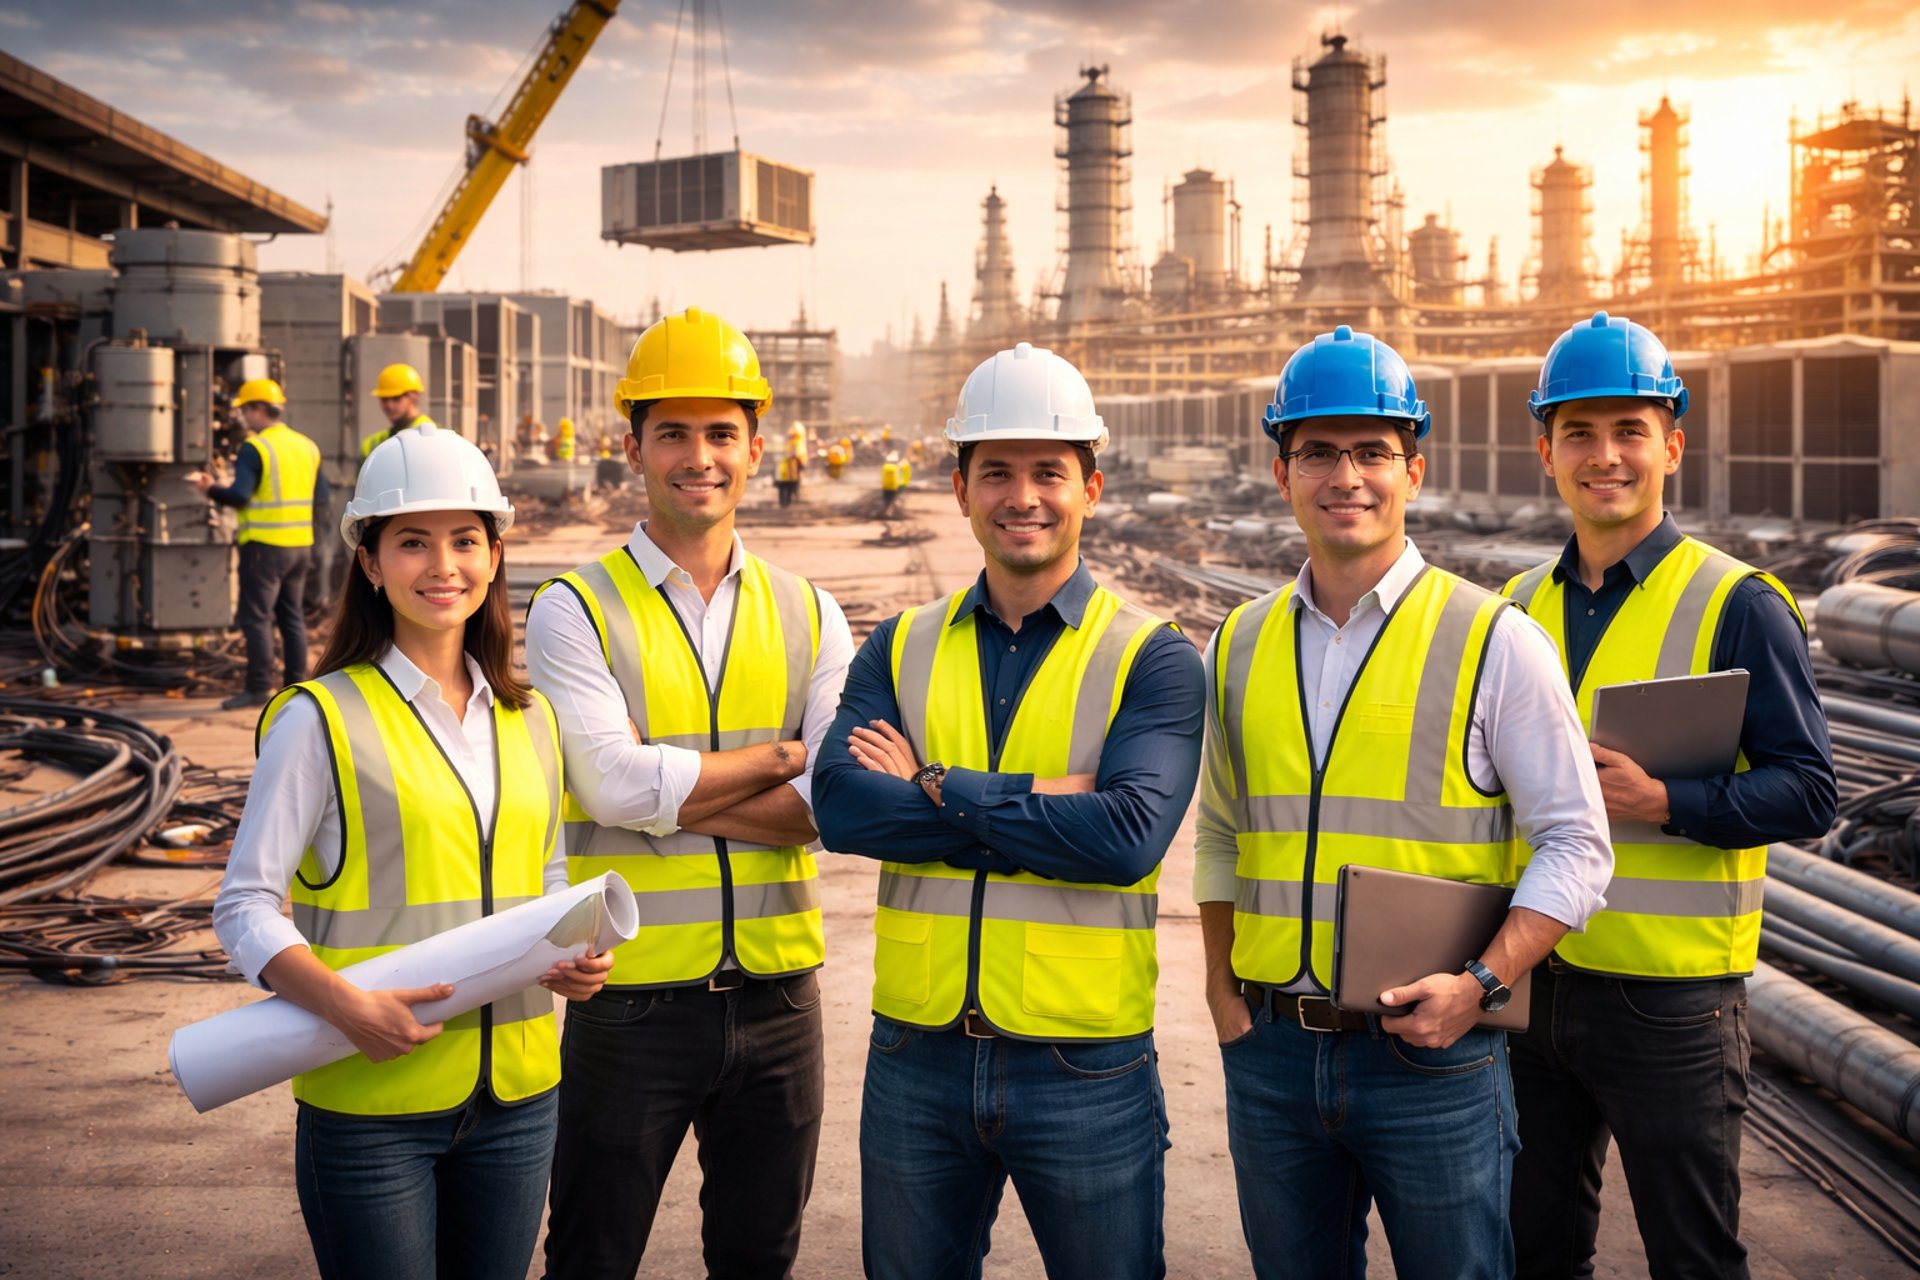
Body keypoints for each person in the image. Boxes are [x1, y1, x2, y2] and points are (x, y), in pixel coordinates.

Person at [1194, 326, 1615, 1279]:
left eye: (1371, 451)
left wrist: (1483, 987)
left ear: (1413, 468)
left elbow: (1578, 845)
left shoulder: (1493, 640)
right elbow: (1220, 832)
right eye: (1317, 452)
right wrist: (1222, 993)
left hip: (1434, 1057)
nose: (1345, 475)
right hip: (1270, 1055)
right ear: (1281, 471)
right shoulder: (1237, 644)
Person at [814, 341, 1205, 1280]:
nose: (1021, 496)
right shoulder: (900, 646)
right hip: (917, 1051)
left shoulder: (1152, 656)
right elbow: (840, 811)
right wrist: (1049, 798)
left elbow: (1125, 839)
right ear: (959, 489)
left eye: (1047, 472)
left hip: (1085, 1063)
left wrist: (935, 783)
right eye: (996, 472)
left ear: (1093, 486)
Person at [211, 423, 613, 1280]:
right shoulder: (318, 717)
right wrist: (345, 1005)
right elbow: (244, 905)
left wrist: (569, 952)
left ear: (497, 555)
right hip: (370, 1102)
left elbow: (541, 875)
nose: (444, 566)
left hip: (518, 1094)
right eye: (412, 542)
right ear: (369, 561)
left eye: (466, 540)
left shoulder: (530, 720)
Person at [1504, 313, 1838, 1280]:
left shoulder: (1739, 604)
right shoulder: (1516, 610)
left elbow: (1810, 790)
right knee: (1535, 1251)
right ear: (1548, 451)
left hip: (1673, 1009)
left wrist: (1668, 801)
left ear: (1671, 446)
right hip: (1532, 985)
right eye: (1579, 433)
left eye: (1629, 432)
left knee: (1692, 1257)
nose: (1604, 456)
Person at [526, 306, 853, 1280]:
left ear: (758, 446)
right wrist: (775, 757)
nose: (697, 455)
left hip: (780, 997)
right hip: (629, 1000)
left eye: (720, 433)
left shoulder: (811, 610)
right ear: (632, 445)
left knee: (761, 1256)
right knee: (593, 1252)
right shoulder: (573, 606)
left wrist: (658, 782)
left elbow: (831, 806)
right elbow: (607, 783)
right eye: (673, 431)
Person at [188, 378, 329, 712]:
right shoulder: (307, 446)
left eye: (244, 410)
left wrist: (210, 489)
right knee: (291, 616)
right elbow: (321, 499)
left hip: (264, 547)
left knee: (256, 618)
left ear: (257, 409)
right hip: (299, 545)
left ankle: (257, 688)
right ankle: (297, 686)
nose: (242, 417)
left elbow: (239, 496)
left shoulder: (256, 447)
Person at [361, 363, 437, 458]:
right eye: (384, 399)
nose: (389, 405)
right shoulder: (374, 443)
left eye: (396, 398)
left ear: (414, 396)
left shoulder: (430, 436)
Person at [879, 449, 903, 516]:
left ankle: (885, 511)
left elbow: (882, 476)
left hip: (886, 486)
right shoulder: (896, 467)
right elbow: (898, 477)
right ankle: (890, 511)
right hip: (893, 487)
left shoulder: (884, 467)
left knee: (886, 500)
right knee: (892, 500)